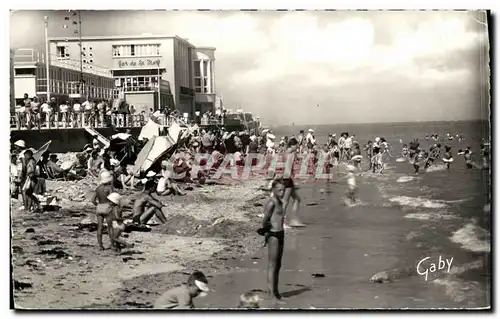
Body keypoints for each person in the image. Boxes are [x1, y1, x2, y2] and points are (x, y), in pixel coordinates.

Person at [259, 179, 286, 303]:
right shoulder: (271, 203)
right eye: (279, 190)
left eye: (284, 190)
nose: (282, 192)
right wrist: (266, 232)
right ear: (274, 190)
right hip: (273, 235)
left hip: (281, 233)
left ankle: (276, 291)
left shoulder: (280, 202)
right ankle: (271, 295)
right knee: (272, 265)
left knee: (278, 265)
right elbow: (265, 220)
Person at [91, 171, 115, 250]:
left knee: (100, 227)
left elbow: (92, 200)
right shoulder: (109, 188)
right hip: (107, 206)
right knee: (110, 227)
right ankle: (112, 244)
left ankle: (100, 245)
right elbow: (112, 198)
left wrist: (97, 204)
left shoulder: (98, 188)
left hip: (99, 207)